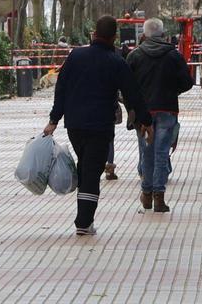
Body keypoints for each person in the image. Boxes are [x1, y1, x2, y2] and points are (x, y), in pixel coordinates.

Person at [44, 15, 153, 236]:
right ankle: (84, 222)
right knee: (92, 172)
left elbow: (61, 89)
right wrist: (146, 121)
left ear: (94, 32)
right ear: (114, 36)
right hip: (100, 126)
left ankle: (84, 215)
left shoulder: (75, 57)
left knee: (86, 167)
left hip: (74, 125)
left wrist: (54, 120)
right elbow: (134, 94)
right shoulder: (116, 62)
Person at [127, 18, 194, 212]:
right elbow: (187, 82)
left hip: (143, 114)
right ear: (163, 34)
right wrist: (172, 91)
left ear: (144, 35)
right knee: (162, 153)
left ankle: (146, 194)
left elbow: (126, 84)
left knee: (146, 153)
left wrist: (133, 106)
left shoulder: (135, 56)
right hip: (167, 110)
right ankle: (159, 197)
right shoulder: (173, 55)